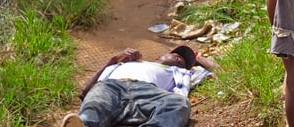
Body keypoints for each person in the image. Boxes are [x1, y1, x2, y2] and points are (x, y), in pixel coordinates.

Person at [59, 45, 216, 127]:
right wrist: (112, 60)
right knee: (95, 105)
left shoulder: (180, 74)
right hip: (111, 87)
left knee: (179, 103)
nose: (179, 58)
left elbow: (217, 70)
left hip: (148, 92)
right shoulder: (125, 62)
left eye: (184, 61)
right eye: (176, 54)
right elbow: (84, 92)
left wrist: (198, 58)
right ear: (158, 57)